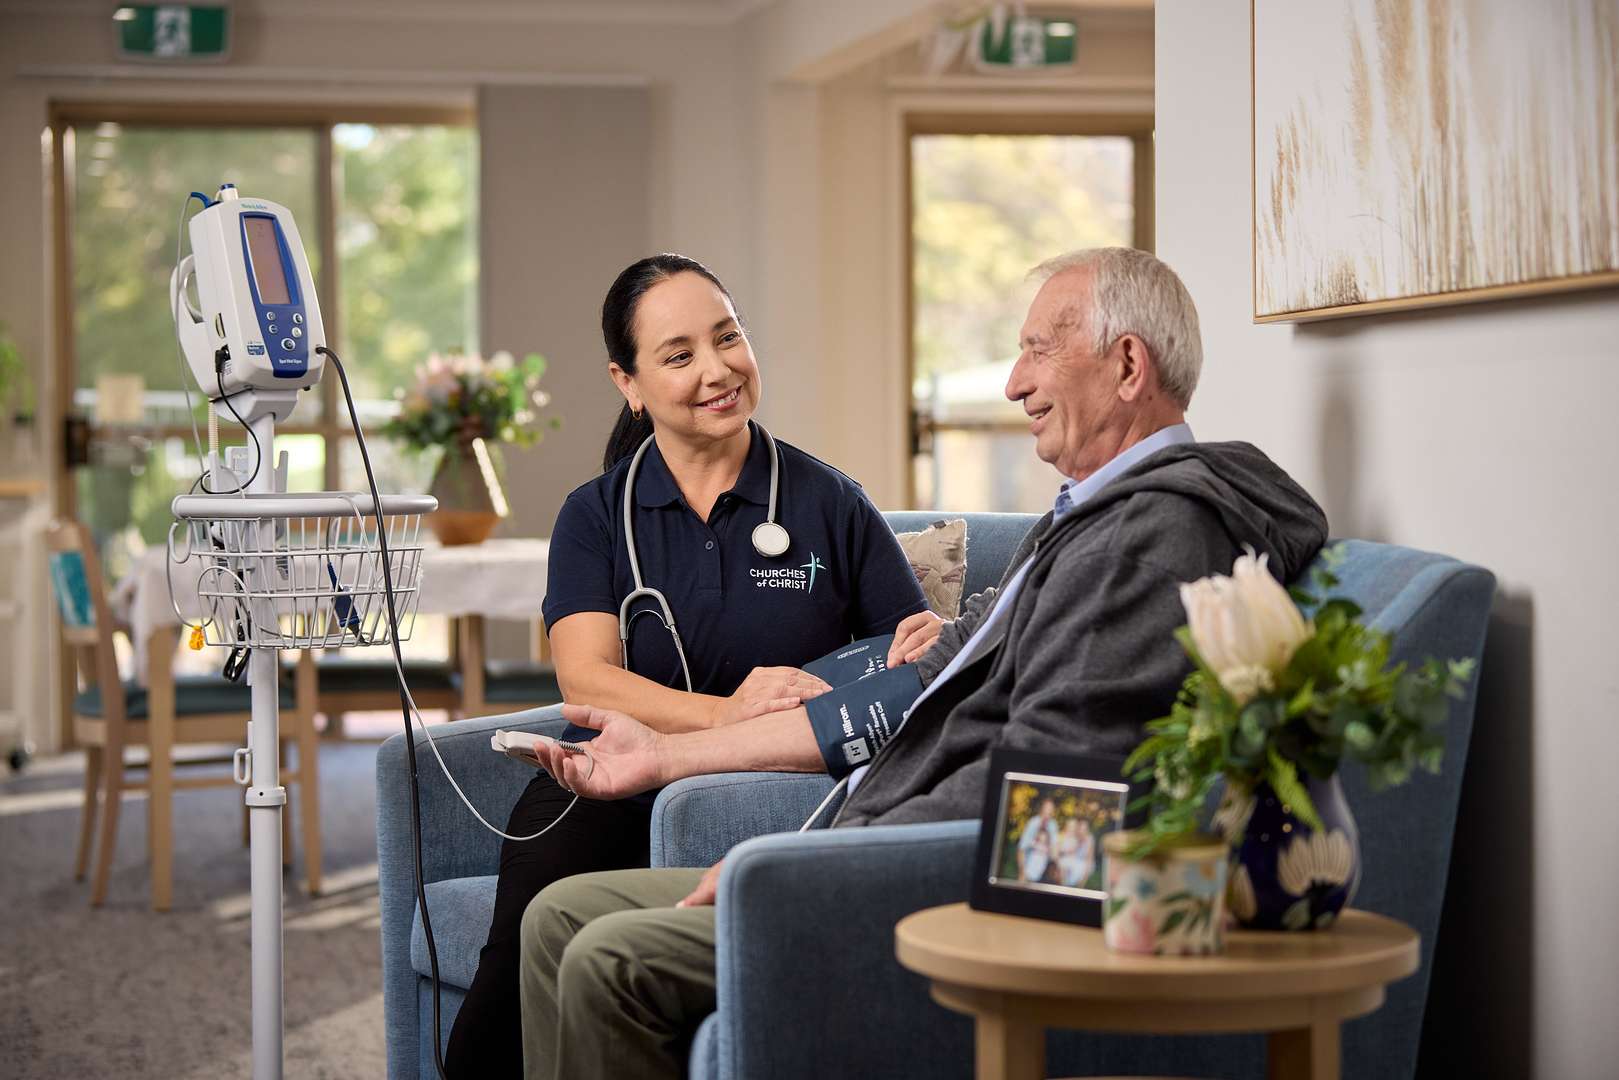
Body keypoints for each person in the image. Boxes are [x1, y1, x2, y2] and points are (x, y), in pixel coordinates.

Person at [516, 247, 1329, 1080]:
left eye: (1038, 349)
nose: (1013, 383)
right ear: (630, 380)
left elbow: (1052, 780)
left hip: (909, 871)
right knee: (554, 917)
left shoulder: (1146, 537)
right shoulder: (1074, 526)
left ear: (1126, 366)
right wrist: (666, 754)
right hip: (862, 832)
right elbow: (904, 687)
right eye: (678, 353)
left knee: (604, 958)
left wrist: (809, 859)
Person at [443, 254, 936, 1077]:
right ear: (627, 382)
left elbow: (909, 660)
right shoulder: (597, 515)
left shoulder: (829, 503)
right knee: (519, 944)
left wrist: (906, 653)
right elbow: (587, 681)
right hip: (613, 780)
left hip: (780, 785)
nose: (718, 370)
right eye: (678, 356)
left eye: (729, 338)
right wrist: (726, 712)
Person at [1016, 797, 1059, 883]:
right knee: (1023, 879)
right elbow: (1021, 848)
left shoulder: (1053, 825)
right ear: (1041, 809)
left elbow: (1054, 848)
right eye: (1046, 808)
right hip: (1030, 860)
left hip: (1045, 863)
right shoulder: (1033, 822)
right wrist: (1022, 870)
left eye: (1051, 809)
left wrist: (1056, 865)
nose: (1048, 812)